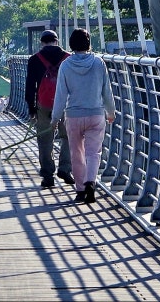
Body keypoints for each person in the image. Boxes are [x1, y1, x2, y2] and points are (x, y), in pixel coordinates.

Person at [51, 28, 115, 204]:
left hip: (73, 115)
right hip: (96, 114)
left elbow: (61, 94)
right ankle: (90, 183)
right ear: (88, 43)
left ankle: (80, 189)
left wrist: (55, 118)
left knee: (76, 153)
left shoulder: (65, 65)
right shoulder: (98, 63)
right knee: (93, 152)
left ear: (71, 44)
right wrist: (111, 112)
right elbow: (106, 91)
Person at [24, 29, 74, 189]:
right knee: (68, 137)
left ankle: (47, 175)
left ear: (42, 42)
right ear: (57, 41)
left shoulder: (34, 60)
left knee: (45, 139)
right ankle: (65, 169)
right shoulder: (69, 59)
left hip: (44, 104)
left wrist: (32, 108)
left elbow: (30, 86)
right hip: (66, 104)